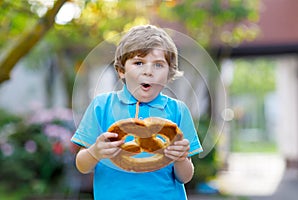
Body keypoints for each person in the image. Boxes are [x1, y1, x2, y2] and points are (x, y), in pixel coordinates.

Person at [71, 24, 203, 200]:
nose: (148, 71)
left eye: (158, 65)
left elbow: (184, 177)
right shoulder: (101, 106)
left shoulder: (178, 110)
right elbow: (82, 165)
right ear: (121, 71)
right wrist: (95, 152)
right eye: (139, 63)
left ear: (169, 73)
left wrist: (180, 159)